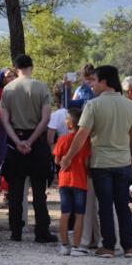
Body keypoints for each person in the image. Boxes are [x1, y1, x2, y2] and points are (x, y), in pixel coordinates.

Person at [60, 65, 132, 258]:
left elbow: (82, 134)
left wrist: (68, 157)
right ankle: (129, 246)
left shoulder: (93, 105)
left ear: (104, 82)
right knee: (122, 205)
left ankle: (109, 246)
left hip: (101, 162)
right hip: (123, 161)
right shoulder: (130, 105)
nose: (91, 84)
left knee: (104, 205)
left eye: (94, 80)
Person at [0, 54, 57, 243]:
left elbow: (4, 120)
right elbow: (45, 118)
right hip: (37, 141)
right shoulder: (41, 87)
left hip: (16, 142)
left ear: (16, 69)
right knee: (39, 190)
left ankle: (16, 230)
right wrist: (31, 141)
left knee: (15, 190)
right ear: (32, 67)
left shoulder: (8, 89)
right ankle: (42, 230)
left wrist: (17, 141)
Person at [54, 107, 91, 256]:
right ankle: (76, 246)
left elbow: (57, 159)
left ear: (70, 123)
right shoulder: (86, 141)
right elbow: (88, 161)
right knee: (79, 214)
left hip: (64, 180)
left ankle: (64, 245)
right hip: (80, 180)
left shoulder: (62, 139)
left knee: (65, 212)